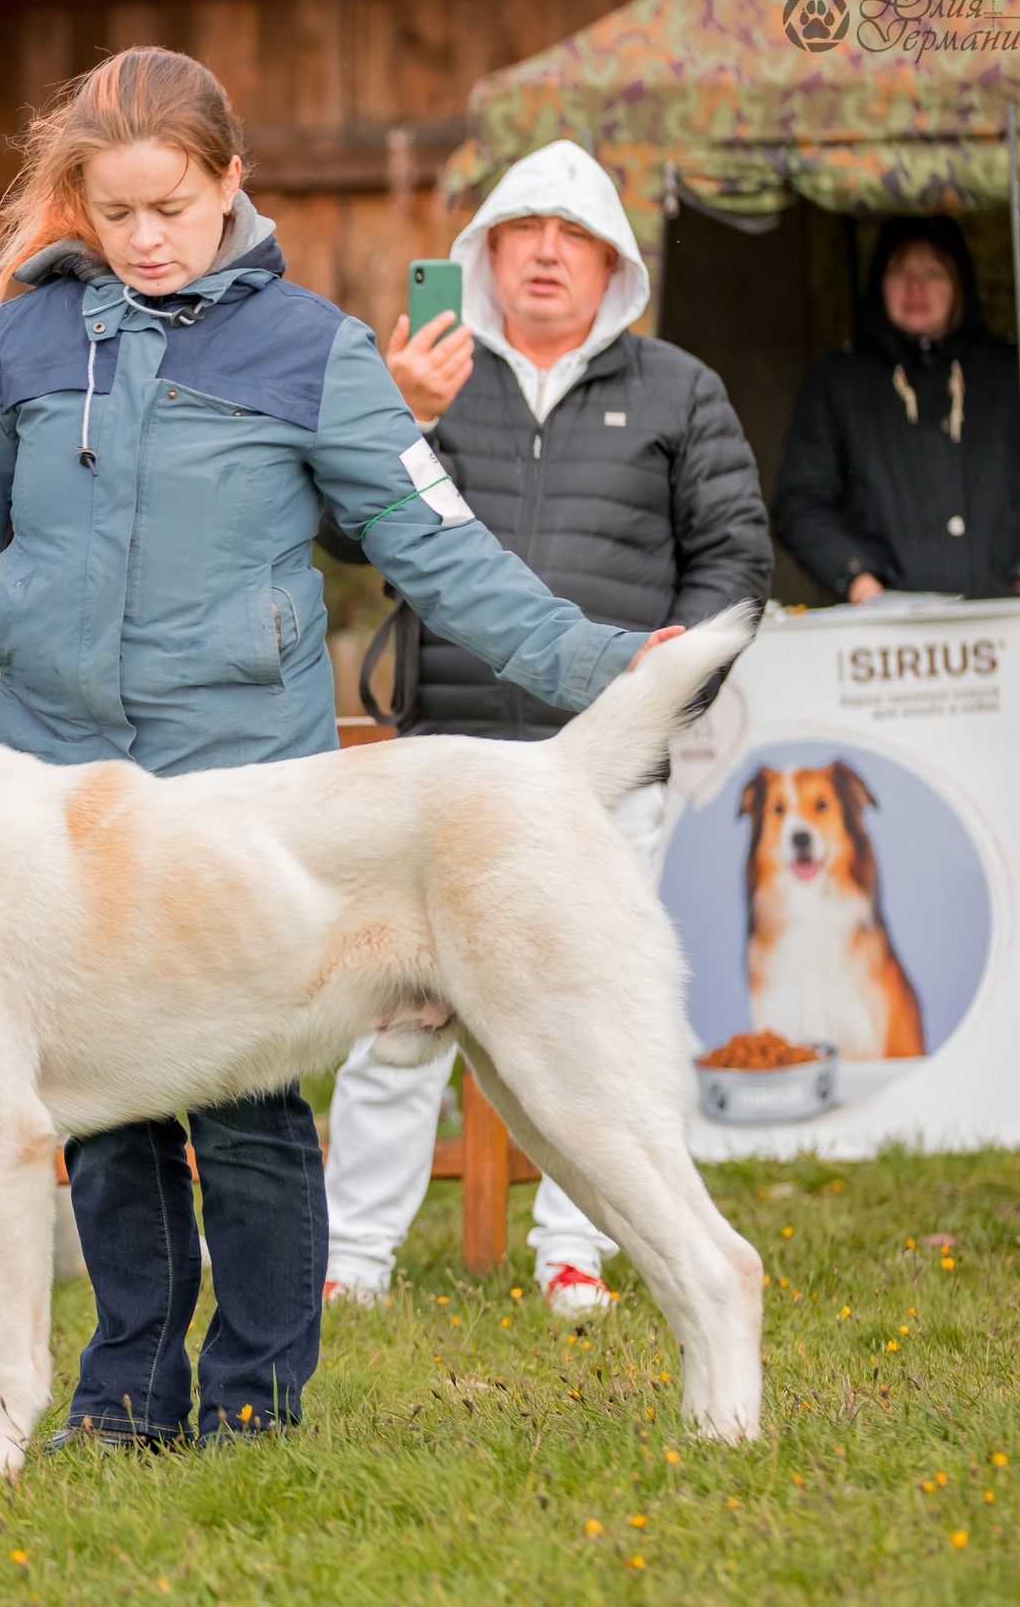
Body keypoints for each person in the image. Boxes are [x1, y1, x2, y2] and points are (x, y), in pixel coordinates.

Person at [0, 50, 679, 1448]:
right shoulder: (18, 339)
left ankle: (257, 1399)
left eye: (171, 207)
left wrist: (596, 660)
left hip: (245, 794)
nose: (145, 239)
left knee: (252, 1105)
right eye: (116, 211)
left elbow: (437, 552)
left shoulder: (316, 349)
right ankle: (126, 1392)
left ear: (231, 186)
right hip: (53, 788)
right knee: (104, 1115)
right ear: (80, 203)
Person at [320, 139, 771, 1320]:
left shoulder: (679, 390)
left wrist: (661, 691)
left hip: (601, 772)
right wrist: (393, 413)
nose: (546, 254)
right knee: (393, 1024)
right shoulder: (430, 374)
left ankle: (578, 1253)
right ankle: (351, 1259)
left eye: (573, 236)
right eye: (524, 230)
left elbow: (731, 562)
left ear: (613, 264)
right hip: (443, 764)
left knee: (589, 1023)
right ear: (485, 251)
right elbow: (338, 534)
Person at [772, 216, 1020, 604]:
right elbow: (800, 503)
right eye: (899, 271)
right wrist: (859, 583)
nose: (915, 288)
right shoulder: (840, 380)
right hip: (885, 639)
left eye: (934, 273)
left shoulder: (1010, 372)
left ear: (960, 285)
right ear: (878, 283)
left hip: (1002, 623)